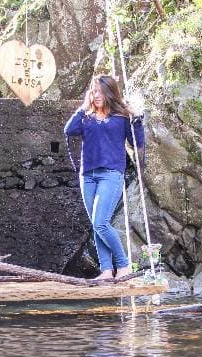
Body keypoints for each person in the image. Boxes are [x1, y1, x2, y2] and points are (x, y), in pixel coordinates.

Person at [64, 75, 146, 280]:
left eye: (100, 91)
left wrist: (137, 120)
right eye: (93, 91)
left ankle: (124, 265)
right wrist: (83, 106)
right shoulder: (86, 117)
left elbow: (137, 143)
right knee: (96, 224)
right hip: (88, 176)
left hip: (111, 174)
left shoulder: (121, 117)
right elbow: (69, 130)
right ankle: (107, 271)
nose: (96, 95)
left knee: (101, 222)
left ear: (110, 93)